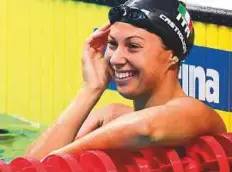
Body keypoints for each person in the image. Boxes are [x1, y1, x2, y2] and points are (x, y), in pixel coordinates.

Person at [24, 0, 226, 160]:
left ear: (172, 55)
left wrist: (57, 157)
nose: (115, 58)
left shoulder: (197, 113)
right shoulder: (110, 117)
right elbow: (28, 166)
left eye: (133, 46)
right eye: (112, 44)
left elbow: (146, 130)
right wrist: (90, 90)